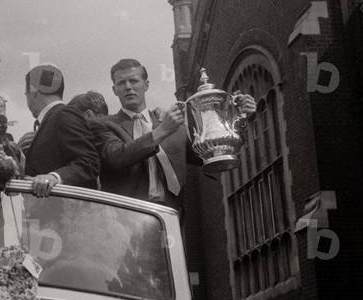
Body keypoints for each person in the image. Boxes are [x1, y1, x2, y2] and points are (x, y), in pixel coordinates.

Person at [97, 58, 256, 212]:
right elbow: (117, 157)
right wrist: (161, 131)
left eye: (133, 81)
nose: (128, 87)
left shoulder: (175, 127)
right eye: (121, 83)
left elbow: (212, 153)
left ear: (146, 85)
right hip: (126, 217)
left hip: (170, 216)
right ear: (114, 90)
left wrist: (240, 118)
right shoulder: (105, 125)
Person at [23, 64, 99, 197]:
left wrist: (54, 177)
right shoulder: (55, 117)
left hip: (66, 213)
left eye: (26, 93)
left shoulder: (64, 115)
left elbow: (89, 162)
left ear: (33, 91)